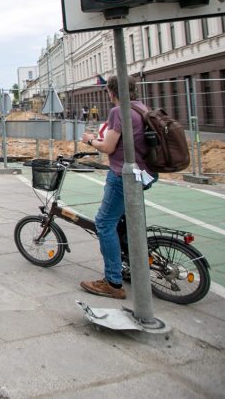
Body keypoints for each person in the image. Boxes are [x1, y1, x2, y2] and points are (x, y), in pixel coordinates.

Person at [79, 75, 157, 300]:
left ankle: (113, 282)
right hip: (144, 174)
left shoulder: (118, 111)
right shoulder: (141, 108)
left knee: (104, 223)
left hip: (124, 175)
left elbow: (109, 147)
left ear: (111, 92)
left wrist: (89, 140)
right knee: (122, 220)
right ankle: (129, 263)